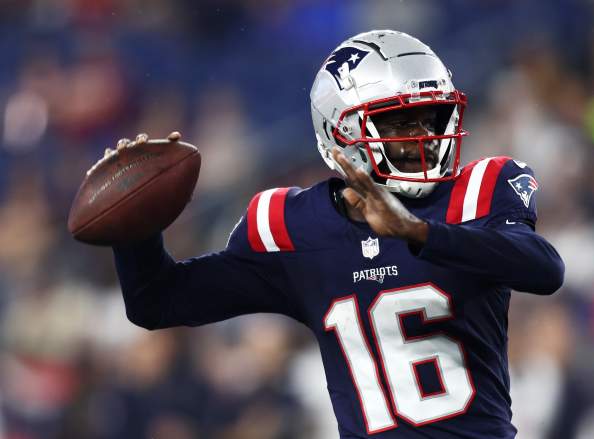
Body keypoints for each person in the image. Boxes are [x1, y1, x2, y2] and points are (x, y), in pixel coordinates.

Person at [111, 30, 564, 438]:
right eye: (399, 123)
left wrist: (419, 232)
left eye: (431, 118)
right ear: (340, 133)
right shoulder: (293, 226)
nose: (422, 137)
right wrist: (135, 228)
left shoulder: (482, 190)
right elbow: (156, 302)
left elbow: (543, 268)